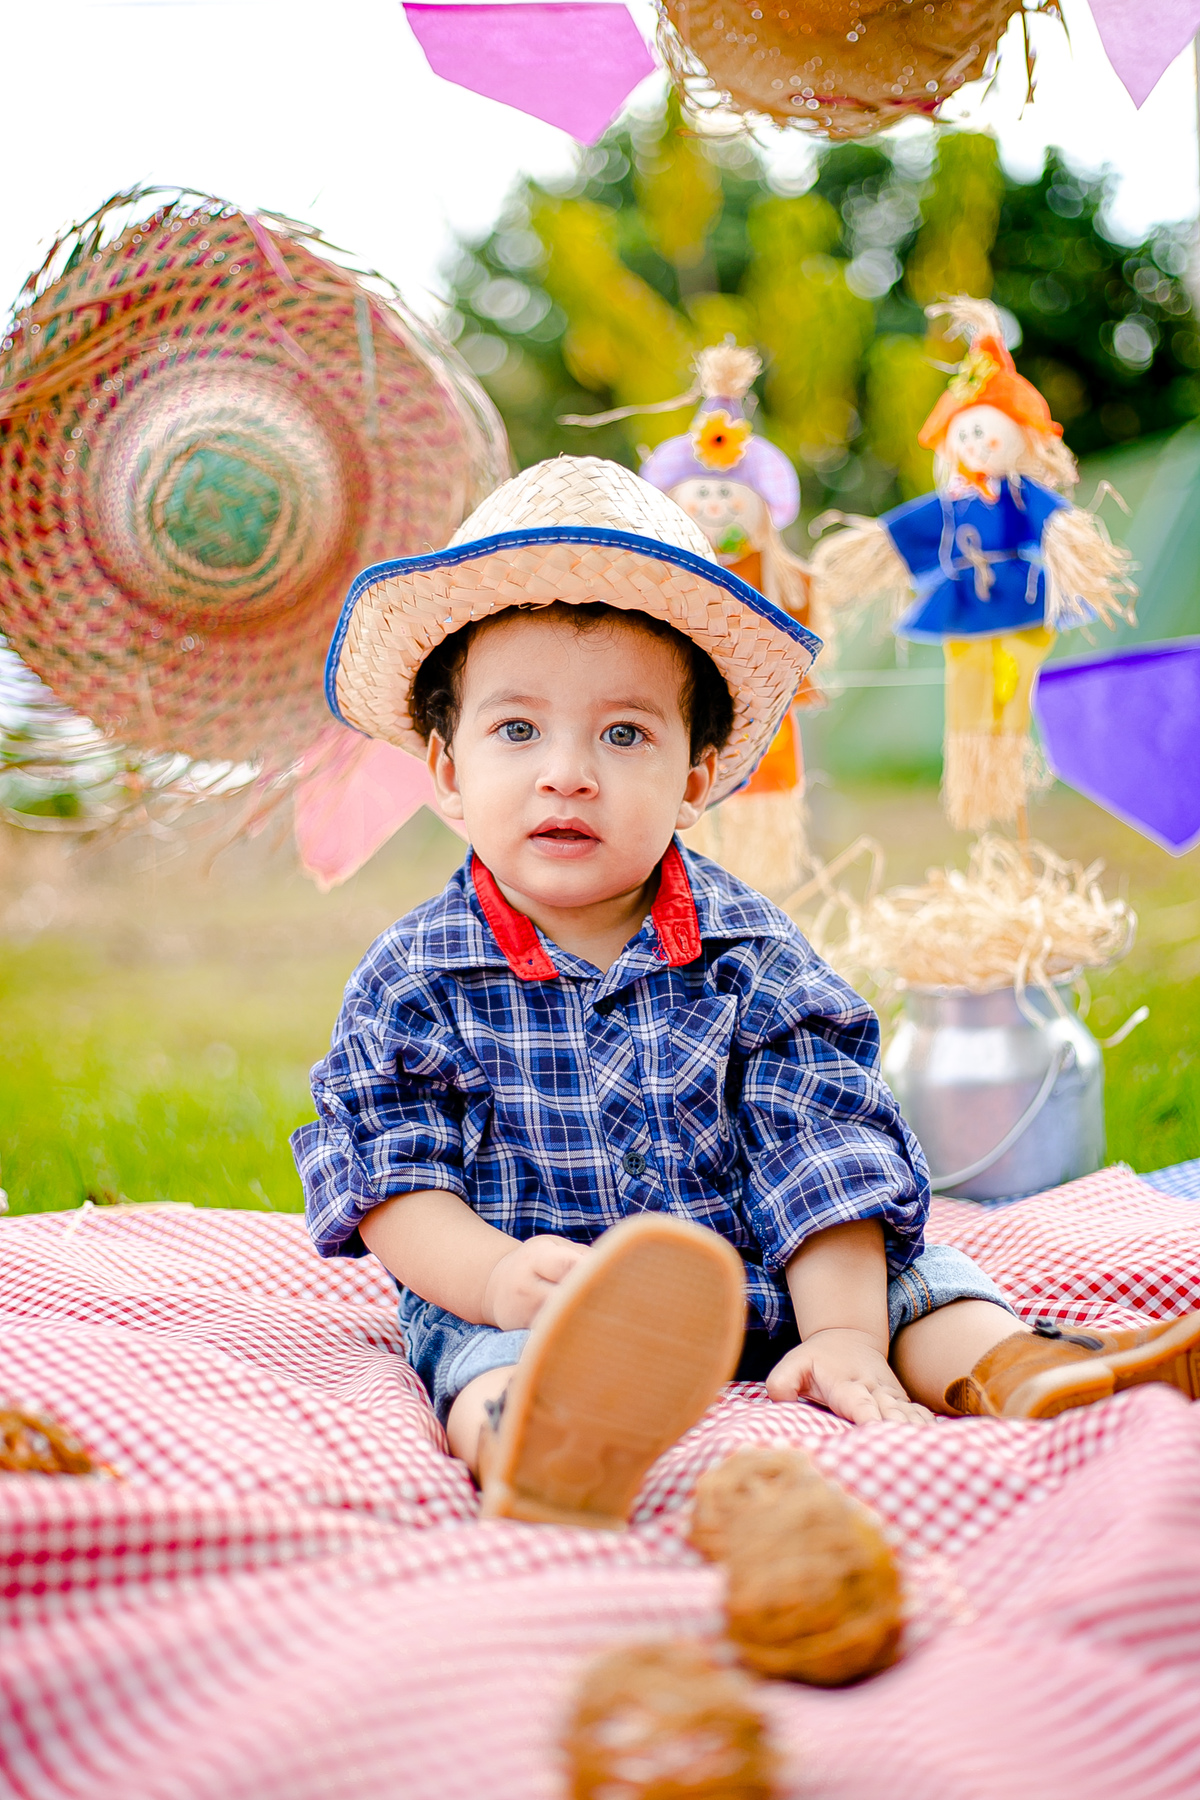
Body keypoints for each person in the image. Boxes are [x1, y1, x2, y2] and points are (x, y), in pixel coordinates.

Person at [293, 455, 1200, 1530]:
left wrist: (845, 1334)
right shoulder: (415, 979)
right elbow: (393, 1177)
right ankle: (541, 1440)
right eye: (517, 730)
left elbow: (822, 1145)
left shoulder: (752, 953)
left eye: (624, 733)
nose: (567, 772)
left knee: (925, 1283)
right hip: (541, 1297)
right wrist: (493, 1278)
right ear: (447, 771)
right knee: (477, 1359)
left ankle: (1024, 1370)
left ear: (695, 775)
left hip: (769, 1279)